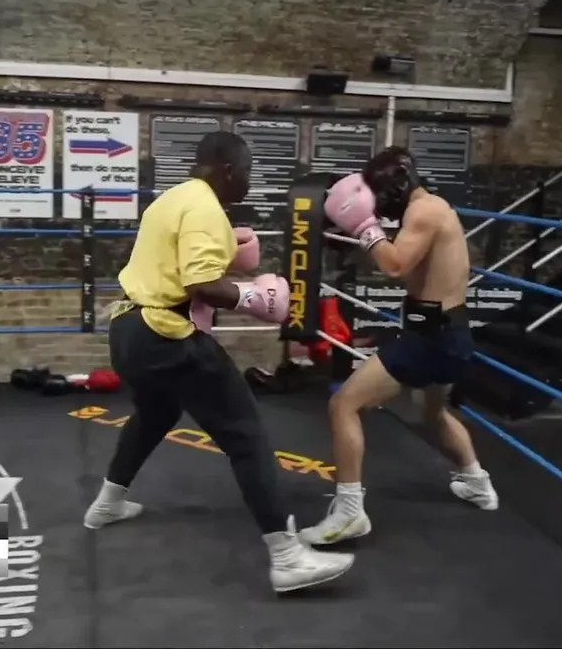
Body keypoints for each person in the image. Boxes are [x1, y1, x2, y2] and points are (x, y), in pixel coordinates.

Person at [83, 131, 354, 593]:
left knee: (155, 414)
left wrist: (229, 249)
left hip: (128, 331)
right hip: (168, 336)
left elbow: (177, 266)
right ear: (228, 169)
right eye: (246, 172)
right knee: (245, 435)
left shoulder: (172, 199)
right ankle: (287, 558)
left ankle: (107, 503)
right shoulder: (206, 208)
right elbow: (202, 286)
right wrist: (255, 296)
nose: (249, 182)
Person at [301, 147, 499, 546]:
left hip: (432, 338)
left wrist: (364, 228)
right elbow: (407, 267)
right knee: (433, 413)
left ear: (395, 186)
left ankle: (349, 512)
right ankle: (478, 483)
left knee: (344, 405)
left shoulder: (424, 212)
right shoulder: (428, 209)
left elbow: (394, 265)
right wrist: (359, 237)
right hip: (444, 330)